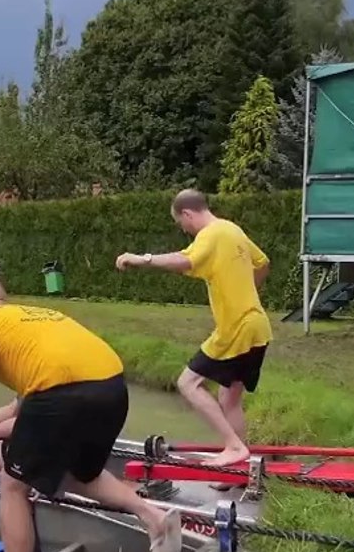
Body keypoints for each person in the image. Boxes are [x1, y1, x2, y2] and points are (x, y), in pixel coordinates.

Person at [0, 278, 182, 552]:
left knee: (13, 484)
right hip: (113, 387)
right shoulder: (35, 318)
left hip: (61, 392)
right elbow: (26, 409)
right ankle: (153, 516)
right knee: (80, 474)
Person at [114, 188, 271, 468]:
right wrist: (247, 293)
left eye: (181, 223)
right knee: (229, 396)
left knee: (188, 383)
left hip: (235, 328)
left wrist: (143, 259)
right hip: (257, 325)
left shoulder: (210, 234)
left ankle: (234, 447)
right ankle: (239, 461)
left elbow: (184, 260)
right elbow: (263, 263)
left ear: (187, 214)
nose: (184, 230)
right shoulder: (232, 229)